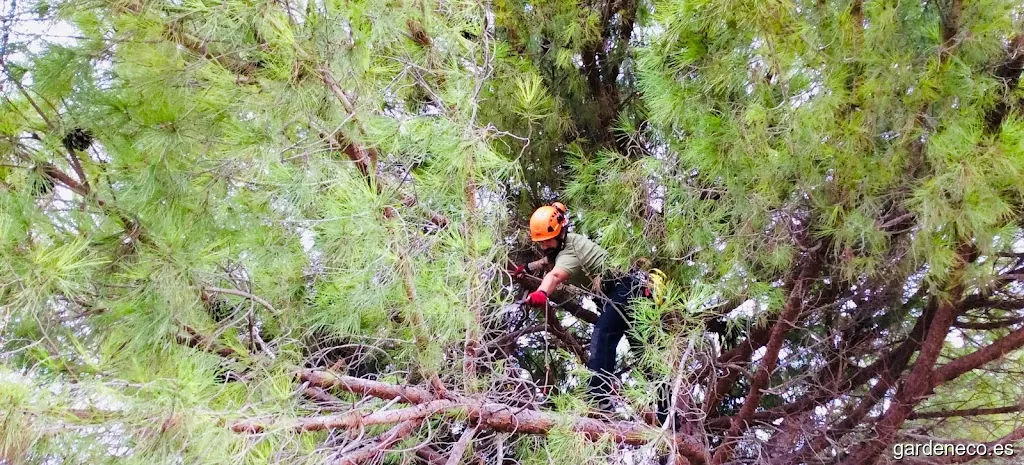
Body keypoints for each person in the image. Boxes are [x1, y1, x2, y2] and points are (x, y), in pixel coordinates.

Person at [512, 203, 665, 416]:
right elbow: (547, 261)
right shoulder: (564, 246)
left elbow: (554, 275)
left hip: (624, 290)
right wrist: (528, 269)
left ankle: (599, 401)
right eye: (542, 242)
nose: (545, 245)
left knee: (603, 335)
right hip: (629, 293)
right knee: (644, 352)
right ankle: (668, 409)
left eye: (548, 240)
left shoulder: (569, 252)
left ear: (560, 233)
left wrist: (541, 293)